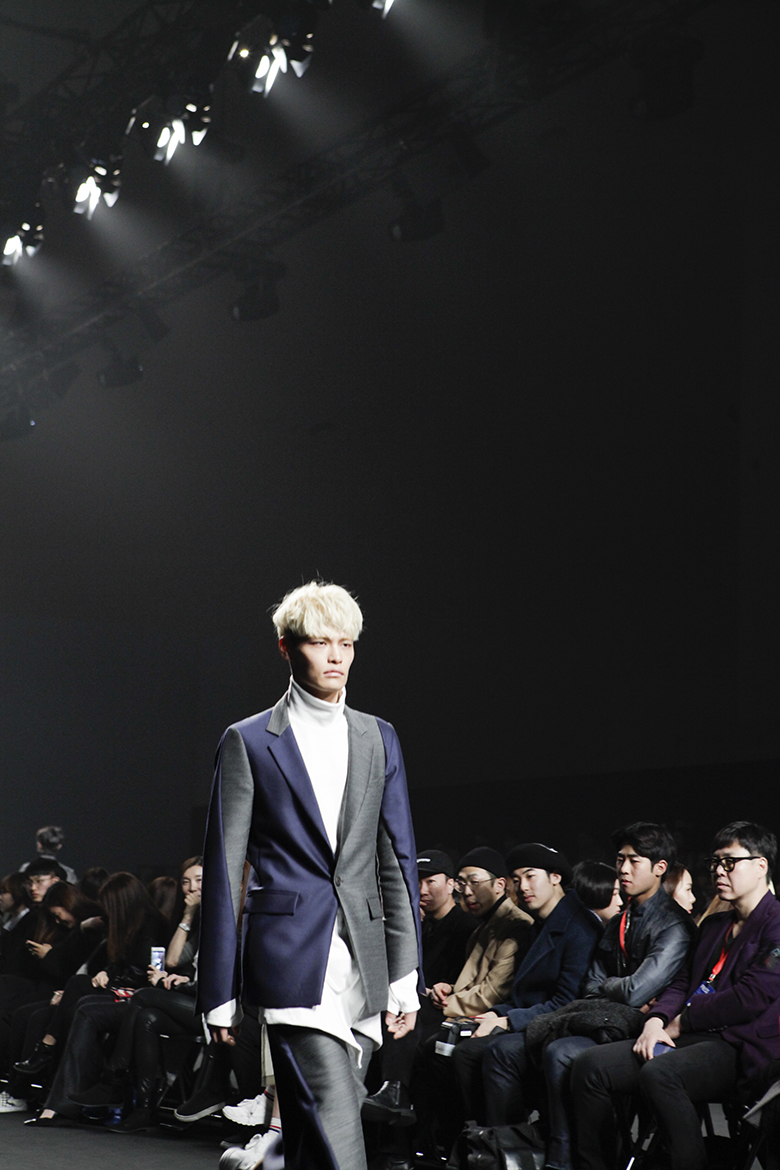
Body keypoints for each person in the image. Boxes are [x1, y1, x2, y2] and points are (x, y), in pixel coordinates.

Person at [198, 581, 422, 1170]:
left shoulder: (378, 736)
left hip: (365, 959)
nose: (335, 656)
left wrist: (405, 973)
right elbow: (224, 869)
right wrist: (218, 991)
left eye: (346, 644)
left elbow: (396, 860)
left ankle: (271, 1160)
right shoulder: (248, 741)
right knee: (333, 1110)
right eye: (319, 642)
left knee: (314, 1122)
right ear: (285, 648)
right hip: (290, 957)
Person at [571, 821, 780, 1170]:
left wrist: (683, 1021)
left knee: (661, 1074)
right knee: (590, 1066)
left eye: (730, 862)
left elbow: (752, 997)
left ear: (761, 866)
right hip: (692, 1034)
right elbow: (683, 981)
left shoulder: (776, 923)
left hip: (739, 1044)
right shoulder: (714, 926)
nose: (718, 871)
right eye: (715, 862)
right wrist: (657, 1020)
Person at [539, 822, 695, 1170]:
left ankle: (573, 1158)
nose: (623, 869)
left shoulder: (674, 925)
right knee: (548, 1047)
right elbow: (591, 986)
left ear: (660, 868)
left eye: (634, 861)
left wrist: (616, 988)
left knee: (561, 1052)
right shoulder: (618, 921)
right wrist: (620, 988)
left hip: (647, 1029)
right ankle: (562, 1154)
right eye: (620, 859)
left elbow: (636, 991)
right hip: (611, 1021)